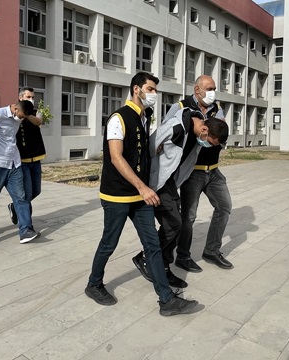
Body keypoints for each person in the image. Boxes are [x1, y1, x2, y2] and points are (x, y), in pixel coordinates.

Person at [85, 72, 199, 317]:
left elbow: (139, 150)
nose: (153, 94)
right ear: (136, 89)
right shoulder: (118, 118)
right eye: (150, 89)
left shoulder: (145, 117)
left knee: (153, 245)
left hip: (139, 197)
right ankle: (94, 284)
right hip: (117, 196)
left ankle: (166, 300)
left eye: (155, 90)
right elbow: (116, 157)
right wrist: (142, 187)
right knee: (109, 243)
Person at [132, 106, 229, 288]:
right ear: (205, 129)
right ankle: (146, 258)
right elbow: (148, 148)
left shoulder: (199, 129)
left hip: (170, 182)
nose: (208, 145)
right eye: (210, 142)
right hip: (157, 180)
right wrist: (144, 185)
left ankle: (164, 267)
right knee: (175, 223)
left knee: (176, 225)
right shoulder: (176, 126)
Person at [168, 75, 234, 272]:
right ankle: (183, 256)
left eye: (214, 88)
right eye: (209, 88)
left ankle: (212, 251)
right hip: (192, 173)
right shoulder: (181, 107)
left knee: (224, 207)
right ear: (197, 90)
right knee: (189, 216)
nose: (213, 92)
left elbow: (220, 135)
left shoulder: (217, 109)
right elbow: (167, 132)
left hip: (213, 171)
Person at [0, 100, 40, 244]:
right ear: (15, 108)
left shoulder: (17, 118)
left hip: (15, 163)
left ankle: (25, 230)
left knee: (21, 197)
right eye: (22, 115)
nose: (23, 119)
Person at [7, 87, 46, 225]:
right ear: (20, 98)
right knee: (27, 193)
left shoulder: (36, 113)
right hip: (21, 159)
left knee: (37, 190)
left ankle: (15, 206)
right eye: (28, 97)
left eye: (33, 97)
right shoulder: (14, 113)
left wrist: (27, 113)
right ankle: (27, 225)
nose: (32, 99)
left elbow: (39, 121)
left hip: (36, 156)